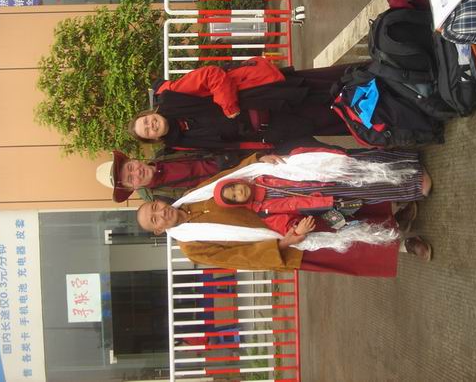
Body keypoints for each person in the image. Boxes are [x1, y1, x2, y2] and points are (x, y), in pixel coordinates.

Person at [135, 151, 433, 276]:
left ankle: (396, 218)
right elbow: (242, 258)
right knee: (348, 243)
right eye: (154, 220)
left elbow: (228, 178)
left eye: (155, 207)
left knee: (340, 200)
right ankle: (404, 244)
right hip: (285, 238)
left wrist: (257, 159)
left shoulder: (191, 196)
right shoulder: (191, 246)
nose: (160, 213)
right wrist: (287, 241)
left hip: (281, 201)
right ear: (159, 230)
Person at [127, 57, 350, 152]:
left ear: (149, 113)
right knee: (333, 121)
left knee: (329, 87)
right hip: (270, 129)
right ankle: (371, 118)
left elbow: (211, 75)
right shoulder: (180, 142)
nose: (150, 125)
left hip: (265, 95)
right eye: (147, 131)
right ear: (153, 139)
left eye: (146, 121)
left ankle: (369, 79)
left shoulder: (174, 96)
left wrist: (229, 107)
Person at [95, 150, 285, 202]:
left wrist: (256, 157)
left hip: (253, 161)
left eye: (131, 167)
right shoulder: (163, 201)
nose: (137, 172)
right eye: (131, 178)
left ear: (133, 160)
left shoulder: (165, 152)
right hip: (249, 194)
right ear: (133, 188)